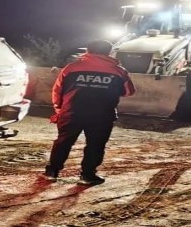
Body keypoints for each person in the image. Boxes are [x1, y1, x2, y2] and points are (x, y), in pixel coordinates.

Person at [43, 39, 136, 185]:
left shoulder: (71, 67)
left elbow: (57, 90)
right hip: (102, 115)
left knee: (63, 142)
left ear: (87, 50)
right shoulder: (119, 71)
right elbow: (129, 92)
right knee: (95, 144)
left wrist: (59, 109)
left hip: (71, 112)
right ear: (109, 52)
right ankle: (88, 175)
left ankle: (52, 172)